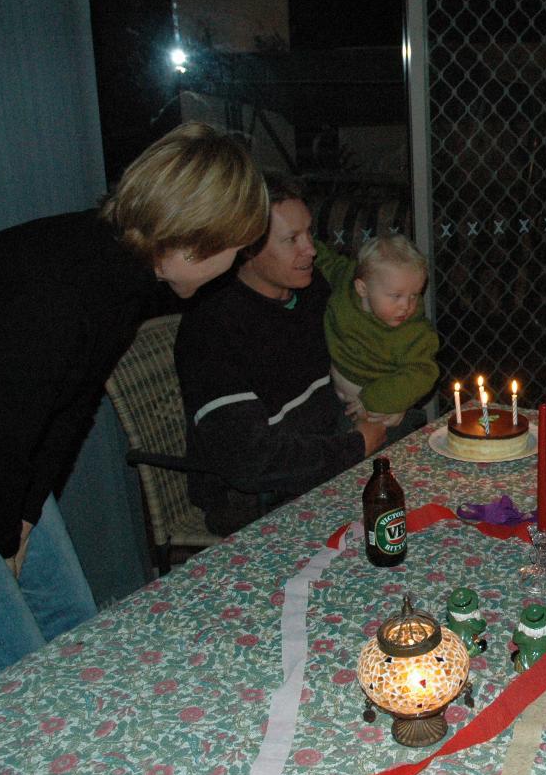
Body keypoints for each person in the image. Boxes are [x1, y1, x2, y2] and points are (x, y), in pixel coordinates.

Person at [0, 121, 267, 692]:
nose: (240, 261)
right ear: (193, 241)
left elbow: (68, 408)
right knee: (17, 688)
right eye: (238, 249)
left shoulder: (127, 270)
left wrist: (23, 516)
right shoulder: (62, 294)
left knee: (77, 643)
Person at [175, 172, 386, 536]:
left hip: (327, 461)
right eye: (292, 239)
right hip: (259, 500)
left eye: (309, 233)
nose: (311, 249)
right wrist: (355, 445)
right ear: (247, 248)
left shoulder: (310, 290)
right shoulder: (213, 327)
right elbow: (250, 460)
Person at [312, 233, 439, 433]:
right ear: (362, 288)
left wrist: (374, 401)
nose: (406, 306)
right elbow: (327, 262)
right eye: (396, 296)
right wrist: (309, 245)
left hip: (377, 411)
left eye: (414, 295)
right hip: (332, 396)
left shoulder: (414, 332)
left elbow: (422, 374)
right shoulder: (345, 284)